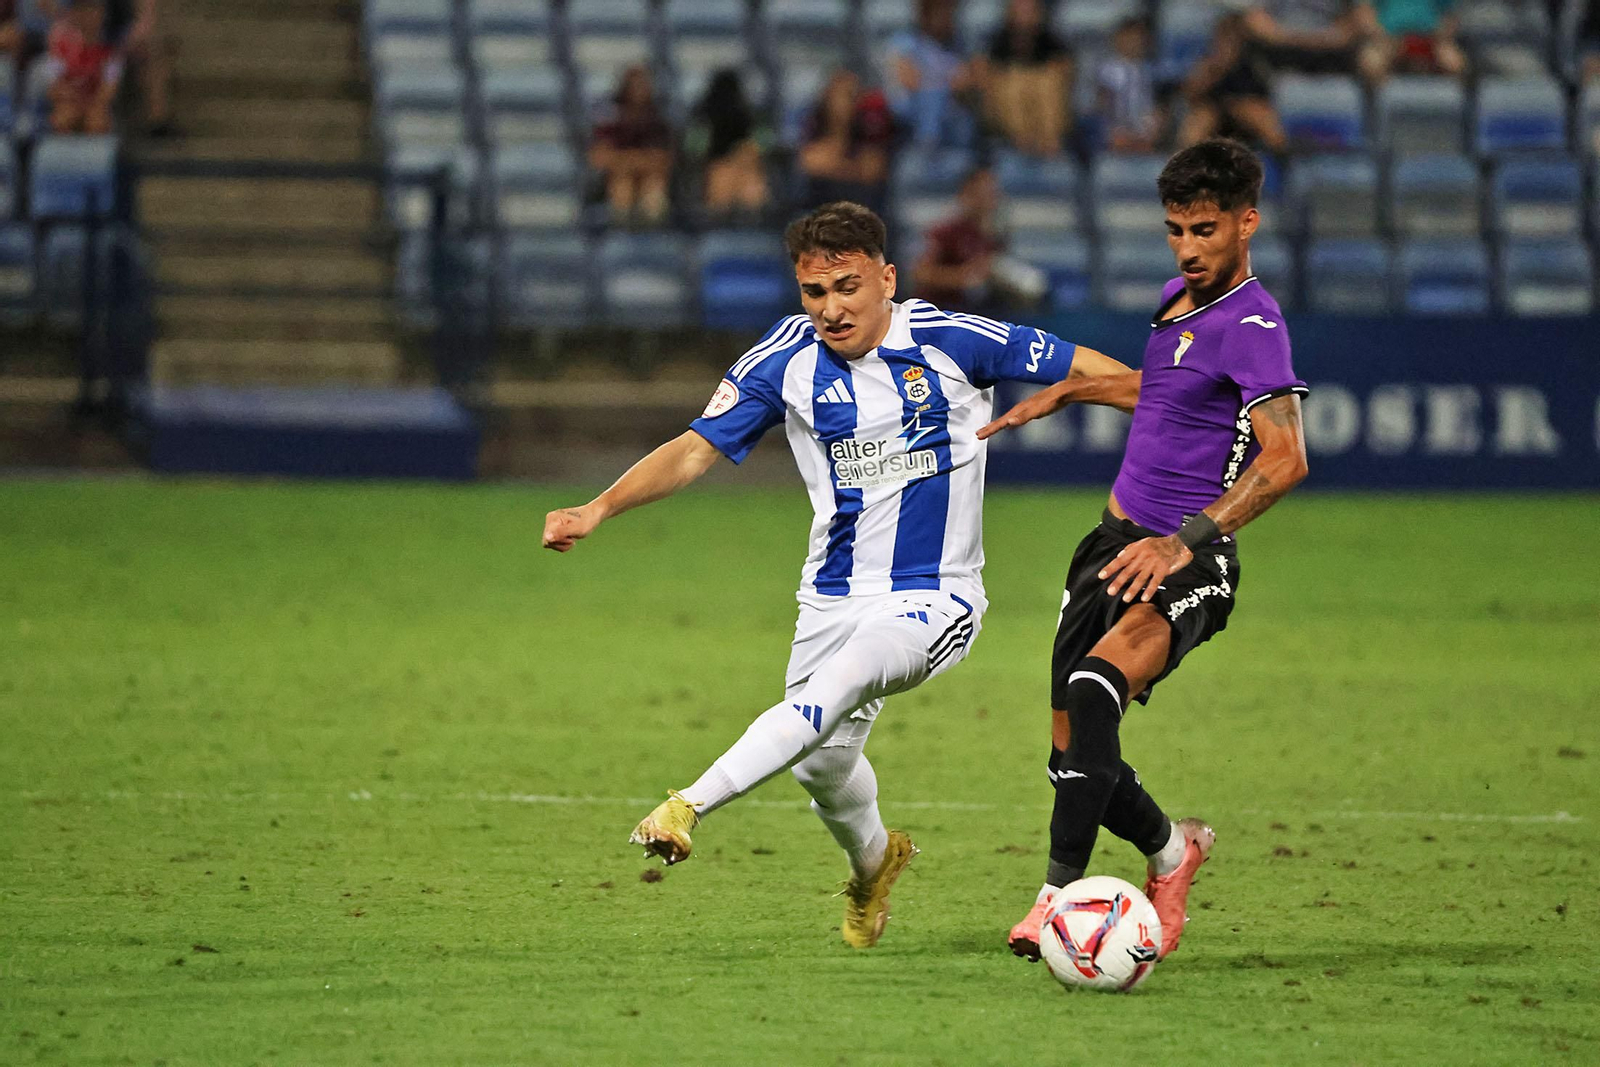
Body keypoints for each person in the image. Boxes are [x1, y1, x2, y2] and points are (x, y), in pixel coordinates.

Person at [542, 201, 1134, 949]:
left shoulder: (954, 339)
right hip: (828, 595)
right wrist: (599, 508)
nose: (831, 308)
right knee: (822, 764)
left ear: (887, 278)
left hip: (934, 593)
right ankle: (874, 865)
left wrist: (1083, 398)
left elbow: (1110, 374)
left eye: (848, 287)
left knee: (844, 680)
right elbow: (695, 447)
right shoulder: (784, 357)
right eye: (814, 293)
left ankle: (687, 804)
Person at [978, 138, 1310, 964]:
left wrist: (1186, 539)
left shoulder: (1255, 324)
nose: (1188, 249)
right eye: (1175, 231)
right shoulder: (1176, 300)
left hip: (1189, 556)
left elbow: (1286, 457)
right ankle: (1171, 852)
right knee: (1071, 752)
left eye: (1205, 230)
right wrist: (1073, 389)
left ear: (1246, 223)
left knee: (1096, 689)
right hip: (1111, 544)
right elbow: (1168, 396)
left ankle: (1053, 901)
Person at [1179, 10, 1288, 153]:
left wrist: (1239, 106)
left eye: (1234, 37)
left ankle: (1284, 165)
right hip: (1214, 110)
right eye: (1225, 37)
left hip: (1246, 108)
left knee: (1265, 122)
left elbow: (1264, 96)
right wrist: (1217, 67)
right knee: (1198, 123)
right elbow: (1190, 96)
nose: (1229, 42)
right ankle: (1184, 168)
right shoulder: (1208, 63)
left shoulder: (1255, 63)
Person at [978, 0, 1073, 157]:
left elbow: (1064, 71)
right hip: (1007, 111)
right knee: (1012, 84)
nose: (1024, 19)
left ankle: (1049, 139)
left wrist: (1031, 80)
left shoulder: (1051, 41)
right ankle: (1022, 139)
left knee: (1048, 82)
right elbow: (986, 75)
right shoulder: (997, 42)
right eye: (1019, 12)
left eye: (1029, 12)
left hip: (1040, 109)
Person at [884, 0, 979, 148]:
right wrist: (948, 82)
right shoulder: (905, 42)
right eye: (939, 11)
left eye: (949, 11)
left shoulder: (959, 44)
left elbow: (967, 81)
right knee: (932, 99)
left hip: (952, 125)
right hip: (912, 125)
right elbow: (911, 82)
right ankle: (927, 147)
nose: (946, 17)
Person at [796, 70, 894, 215]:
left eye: (852, 96)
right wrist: (851, 167)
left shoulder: (869, 134)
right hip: (817, 213)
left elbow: (873, 170)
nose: (845, 103)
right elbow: (810, 162)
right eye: (841, 96)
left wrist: (836, 165)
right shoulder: (813, 131)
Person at [589, 64, 674, 226]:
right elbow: (599, 158)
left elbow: (663, 160)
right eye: (634, 85)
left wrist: (628, 161)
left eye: (643, 85)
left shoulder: (657, 117)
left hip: (649, 177)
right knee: (622, 185)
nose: (638, 90)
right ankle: (620, 232)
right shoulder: (609, 115)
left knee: (654, 186)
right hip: (613, 179)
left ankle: (652, 233)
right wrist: (633, 162)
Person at [681, 68, 771, 221]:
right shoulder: (703, 116)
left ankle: (752, 221)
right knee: (724, 174)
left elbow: (766, 145)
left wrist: (746, 154)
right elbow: (694, 149)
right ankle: (719, 220)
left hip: (746, 167)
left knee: (749, 176)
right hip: (716, 166)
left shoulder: (752, 116)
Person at [46, 0, 123, 135]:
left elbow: (109, 89)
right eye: (84, 11)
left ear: (102, 15)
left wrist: (90, 106)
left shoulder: (112, 49)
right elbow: (54, 86)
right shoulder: (60, 44)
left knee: (97, 120)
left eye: (94, 11)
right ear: (75, 14)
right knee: (62, 118)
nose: (89, 17)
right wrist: (73, 100)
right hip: (70, 100)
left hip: (94, 102)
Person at [1096, 15, 1163, 153]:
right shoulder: (1107, 70)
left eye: (1139, 38)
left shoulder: (1152, 70)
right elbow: (1104, 104)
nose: (1135, 42)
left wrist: (1151, 129)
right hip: (1116, 128)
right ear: (1118, 39)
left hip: (1146, 129)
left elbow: (1157, 105)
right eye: (1130, 37)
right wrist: (1119, 130)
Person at [1356, 0, 1466, 82]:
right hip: (1389, 39)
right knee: (1371, 63)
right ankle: (1378, 110)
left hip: (1431, 40)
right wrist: (1382, 38)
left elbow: (1450, 16)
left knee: (1456, 64)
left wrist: (1439, 37)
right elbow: (1365, 13)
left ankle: (1450, 110)